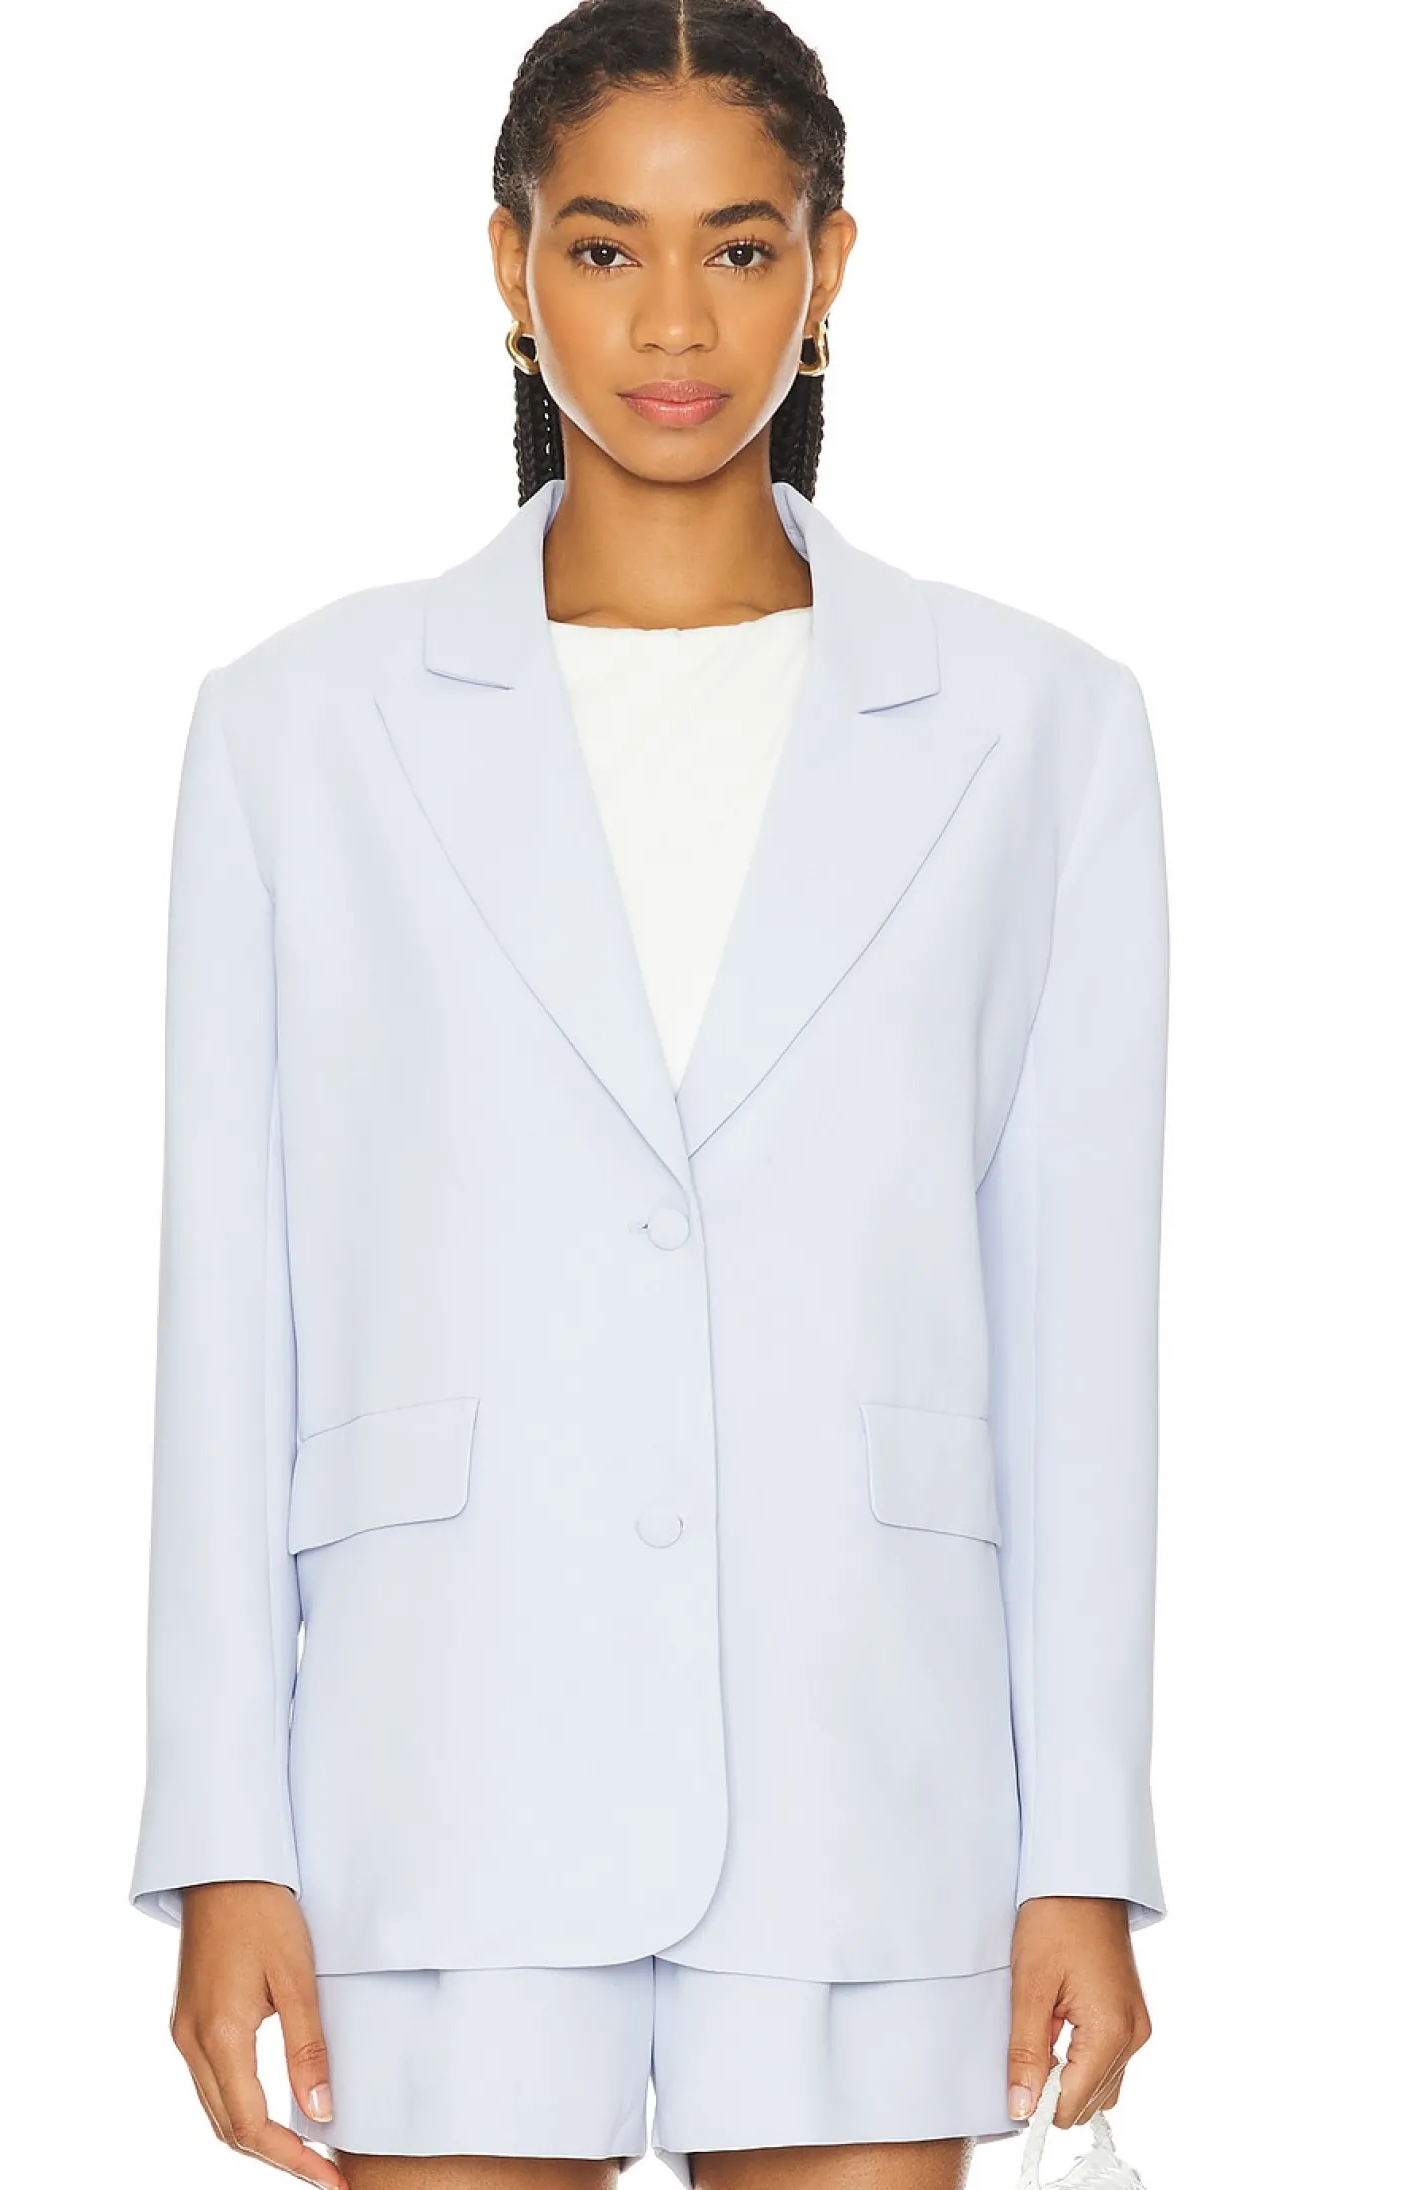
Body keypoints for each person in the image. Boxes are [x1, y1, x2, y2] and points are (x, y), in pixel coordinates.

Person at [128, 5, 1169, 2186]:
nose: (673, 323)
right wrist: (226, 1835)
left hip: (870, 1750)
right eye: (604, 249)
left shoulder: (1037, 726)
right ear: (508, 266)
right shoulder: (298, 727)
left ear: (830, 262)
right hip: (441, 1742)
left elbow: (1077, 1324)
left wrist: (1081, 1842)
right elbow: (231, 1313)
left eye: (740, 247)